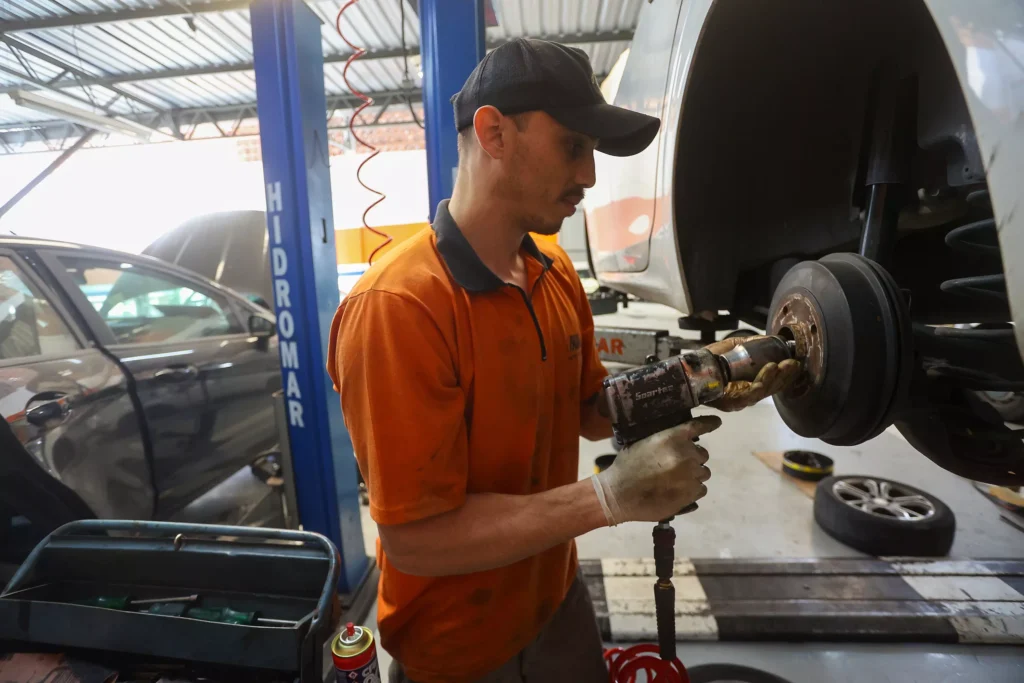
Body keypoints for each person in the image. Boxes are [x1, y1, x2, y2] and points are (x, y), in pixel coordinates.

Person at [328, 38, 800, 683]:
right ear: (494, 132)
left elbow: (584, 410)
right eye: (573, 146)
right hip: (458, 643)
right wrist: (608, 496)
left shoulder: (553, 275)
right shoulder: (399, 308)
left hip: (554, 597)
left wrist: (697, 380)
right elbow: (418, 540)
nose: (590, 176)